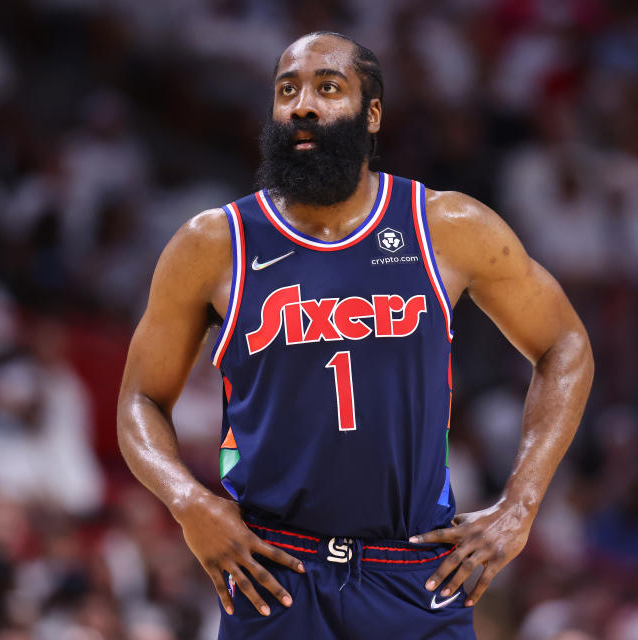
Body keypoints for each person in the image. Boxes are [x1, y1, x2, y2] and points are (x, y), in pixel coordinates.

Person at [117, 31, 594, 639]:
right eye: (286, 90)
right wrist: (188, 502)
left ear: (372, 115)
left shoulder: (446, 226)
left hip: (417, 577)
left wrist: (520, 504)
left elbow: (566, 345)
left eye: (328, 87)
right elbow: (138, 399)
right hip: (274, 575)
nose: (303, 105)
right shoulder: (213, 244)